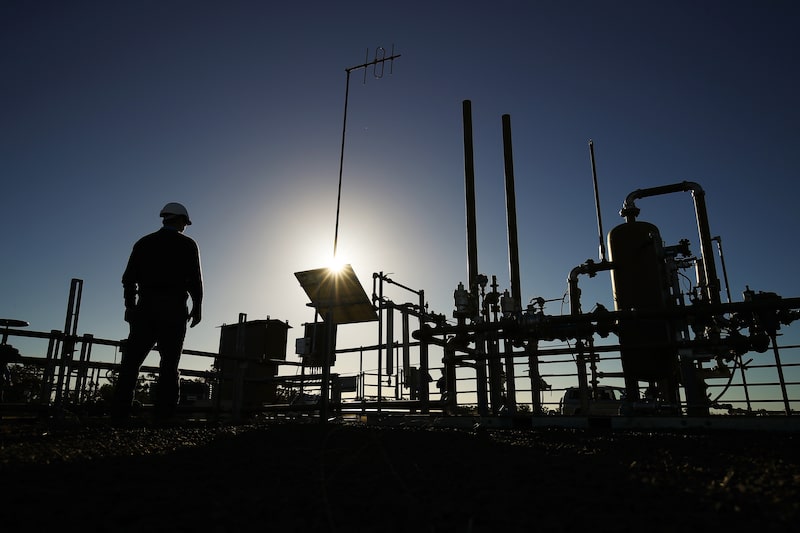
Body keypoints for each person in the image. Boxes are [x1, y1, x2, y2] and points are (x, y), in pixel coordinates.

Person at [111, 202, 203, 422]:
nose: (185, 226)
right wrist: (198, 306)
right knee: (169, 366)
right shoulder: (188, 245)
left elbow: (129, 279)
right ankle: (163, 417)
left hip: (145, 309)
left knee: (131, 364)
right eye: (185, 222)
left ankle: (120, 415)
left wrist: (130, 306)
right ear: (180, 219)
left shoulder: (144, 243)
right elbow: (195, 280)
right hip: (174, 311)